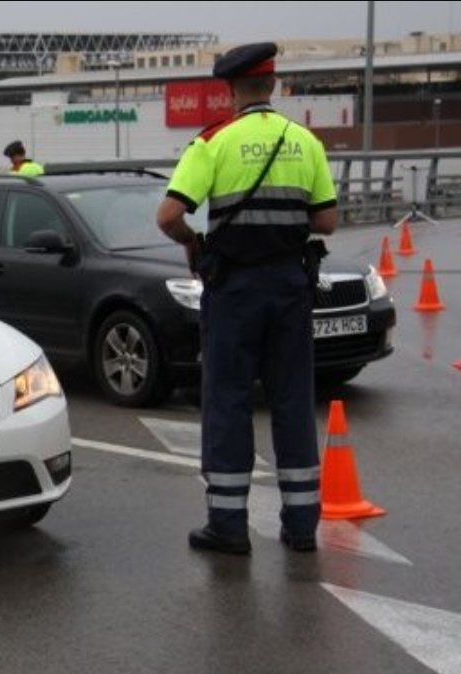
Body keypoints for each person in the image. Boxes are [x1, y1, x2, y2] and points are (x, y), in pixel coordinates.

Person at [155, 42, 338, 555]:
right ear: (273, 86)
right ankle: (302, 526)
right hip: (289, 288)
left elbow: (168, 216)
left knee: (229, 400)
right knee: (293, 399)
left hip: (234, 291)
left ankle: (229, 527)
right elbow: (326, 221)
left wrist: (193, 243)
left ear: (231, 89)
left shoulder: (213, 142)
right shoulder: (305, 142)